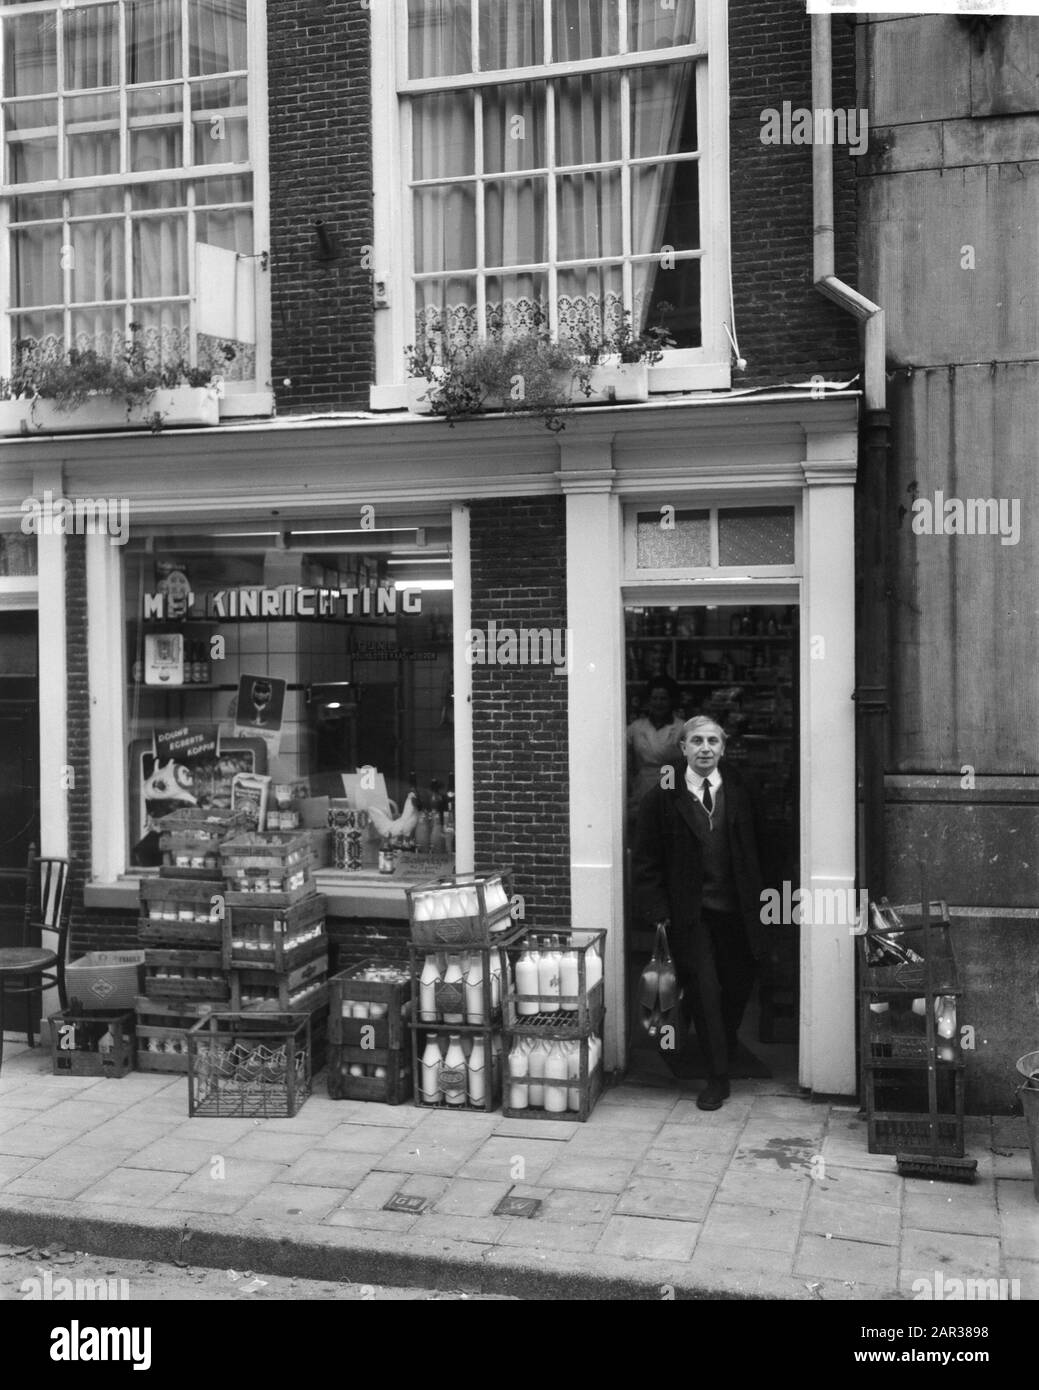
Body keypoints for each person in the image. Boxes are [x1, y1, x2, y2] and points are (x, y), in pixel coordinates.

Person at [631, 715, 769, 1110]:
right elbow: (646, 860)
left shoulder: (742, 791)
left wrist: (773, 902)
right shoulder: (665, 795)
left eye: (712, 741)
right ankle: (717, 1077)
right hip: (691, 915)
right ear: (684, 749)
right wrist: (658, 909)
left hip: (740, 912)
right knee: (706, 991)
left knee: (738, 987)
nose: (705, 748)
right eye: (697, 741)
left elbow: (766, 846)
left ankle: (717, 1046)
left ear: (723, 748)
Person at [626, 677, 685, 827]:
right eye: (655, 698)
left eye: (663, 699)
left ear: (672, 701)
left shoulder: (682, 728)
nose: (659, 703)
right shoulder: (636, 728)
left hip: (671, 787)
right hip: (642, 788)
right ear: (648, 701)